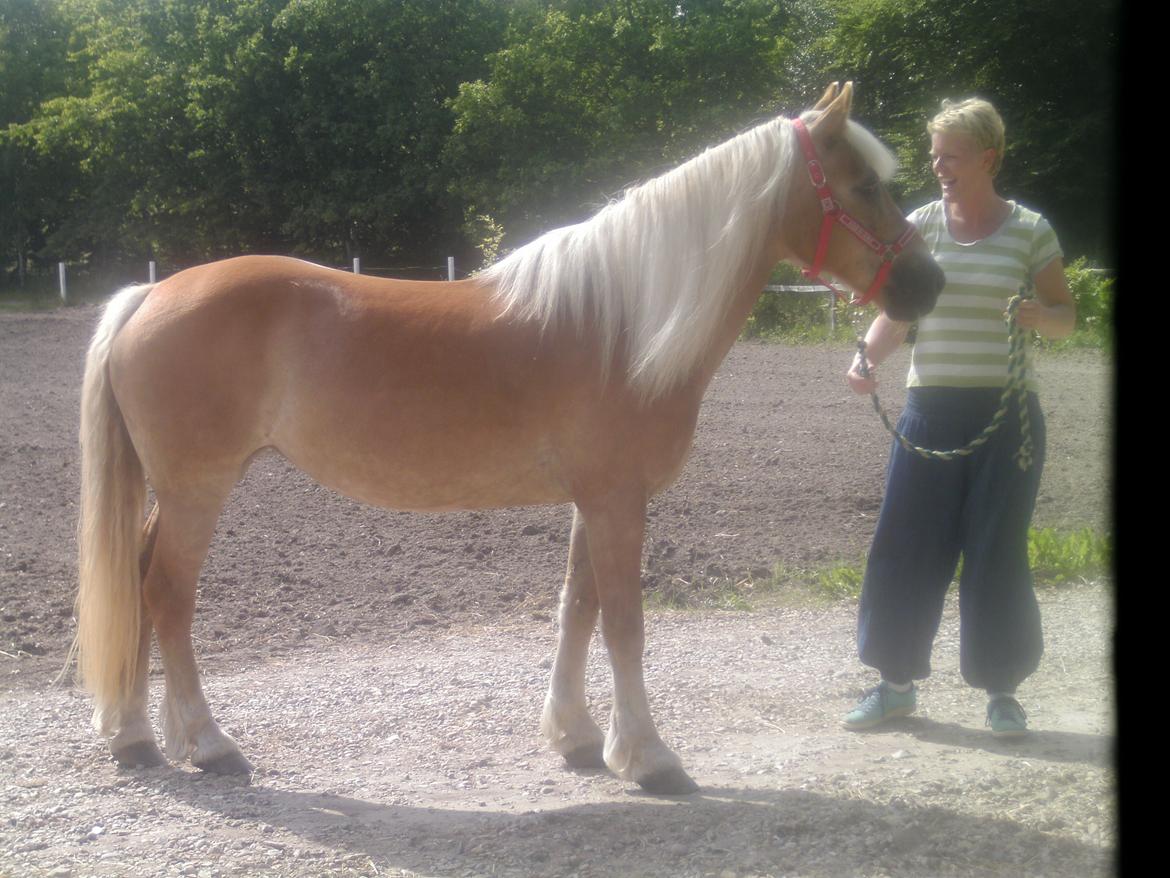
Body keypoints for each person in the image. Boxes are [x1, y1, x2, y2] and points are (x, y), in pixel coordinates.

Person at [842, 98, 1076, 737]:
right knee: (904, 547)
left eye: (951, 154)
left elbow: (1066, 315)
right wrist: (867, 355)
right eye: (934, 153)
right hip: (929, 413)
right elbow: (901, 309)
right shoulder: (921, 226)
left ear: (988, 158)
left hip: (1006, 420)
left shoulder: (1031, 231)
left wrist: (1041, 318)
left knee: (996, 552)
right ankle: (894, 686)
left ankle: (1002, 690)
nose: (938, 164)